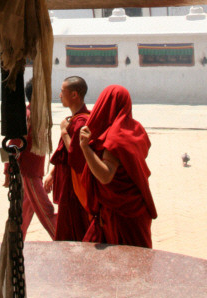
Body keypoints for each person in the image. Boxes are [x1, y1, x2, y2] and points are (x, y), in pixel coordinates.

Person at [79, 84, 157, 247]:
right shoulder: (136, 129)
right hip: (134, 209)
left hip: (120, 214)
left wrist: (86, 148)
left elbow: (106, 176)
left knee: (126, 264)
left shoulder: (115, 137)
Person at [3, 79, 57, 239]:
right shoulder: (27, 116)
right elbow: (11, 145)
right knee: (46, 211)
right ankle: (62, 237)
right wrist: (7, 172)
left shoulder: (39, 115)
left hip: (35, 171)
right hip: (28, 173)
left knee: (24, 212)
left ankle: (13, 242)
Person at [44, 76, 90, 241]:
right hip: (67, 181)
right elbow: (65, 155)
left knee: (74, 227)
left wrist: (64, 132)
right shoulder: (74, 119)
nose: (59, 95)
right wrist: (53, 172)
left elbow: (76, 155)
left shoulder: (81, 122)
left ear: (74, 95)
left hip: (74, 185)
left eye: (63, 92)